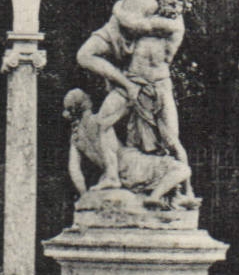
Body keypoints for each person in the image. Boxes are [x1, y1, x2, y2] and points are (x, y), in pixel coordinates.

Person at [74, 0, 223, 188]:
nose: (171, 2)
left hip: (158, 84)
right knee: (102, 123)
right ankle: (111, 176)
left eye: (177, 0)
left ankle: (186, 190)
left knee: (172, 140)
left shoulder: (171, 24)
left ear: (182, 5)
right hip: (131, 78)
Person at [63, 89, 192, 208]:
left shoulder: (75, 138)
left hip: (120, 176)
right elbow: (105, 125)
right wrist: (125, 109)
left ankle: (167, 197)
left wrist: (84, 195)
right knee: (182, 169)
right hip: (132, 163)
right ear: (86, 102)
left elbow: (74, 170)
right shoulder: (99, 119)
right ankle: (154, 197)